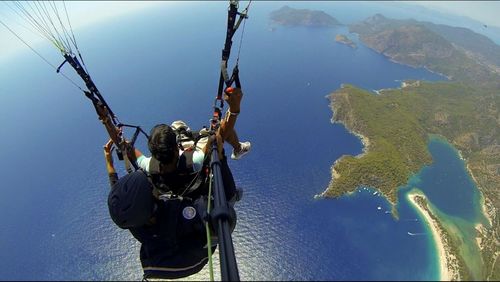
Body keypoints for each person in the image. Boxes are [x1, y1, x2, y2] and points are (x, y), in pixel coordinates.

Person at [105, 88, 249, 279]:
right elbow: (220, 135)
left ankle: (237, 153)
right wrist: (234, 109)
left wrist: (106, 122)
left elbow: (126, 149)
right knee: (216, 145)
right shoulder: (194, 161)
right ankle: (238, 150)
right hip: (198, 216)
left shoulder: (148, 175)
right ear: (177, 148)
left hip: (179, 247)